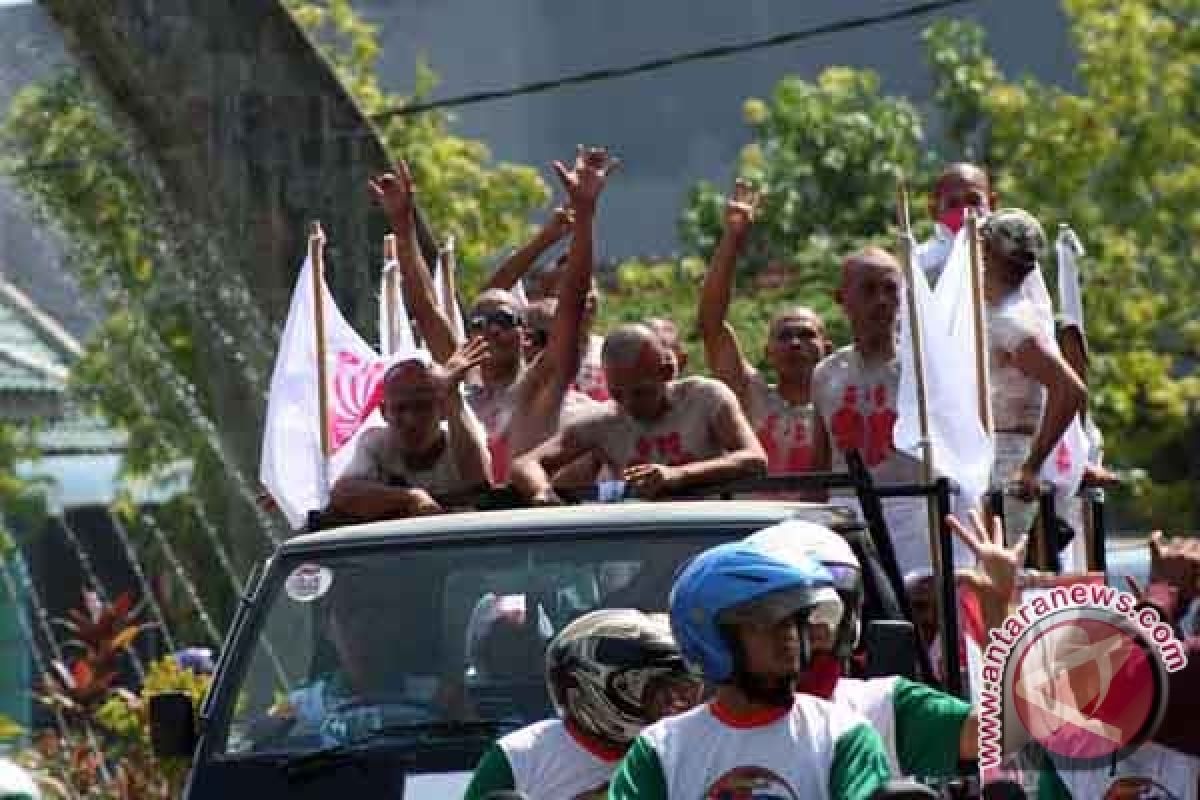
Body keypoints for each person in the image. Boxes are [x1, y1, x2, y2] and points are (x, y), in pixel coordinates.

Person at [370, 149, 614, 484]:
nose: (490, 331)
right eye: (479, 325)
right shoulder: (459, 383)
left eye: (502, 321)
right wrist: (402, 225)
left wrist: (585, 215)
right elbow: (425, 308)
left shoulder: (539, 386)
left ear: (525, 335)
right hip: (470, 522)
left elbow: (570, 308)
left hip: (530, 515)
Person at [607, 541, 890, 800]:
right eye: (765, 622)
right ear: (712, 638)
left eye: (794, 620)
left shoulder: (844, 735)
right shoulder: (661, 749)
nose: (789, 635)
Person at [812, 247, 956, 577]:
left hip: (915, 515)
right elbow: (819, 464)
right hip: (846, 517)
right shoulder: (826, 373)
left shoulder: (927, 367)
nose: (881, 300)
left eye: (890, 289)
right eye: (868, 289)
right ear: (842, 298)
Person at [510, 323, 767, 503]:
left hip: (702, 532)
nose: (629, 404)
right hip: (639, 539)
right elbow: (526, 464)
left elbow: (755, 459)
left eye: (641, 392)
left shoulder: (705, 398)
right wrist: (541, 492)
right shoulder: (603, 421)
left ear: (667, 372)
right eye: (618, 393)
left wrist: (678, 475)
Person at [463, 609, 703, 800]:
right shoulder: (520, 757)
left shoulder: (687, 750)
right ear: (595, 685)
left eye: (682, 688)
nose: (676, 703)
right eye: (656, 689)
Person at [697, 180, 832, 484]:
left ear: (829, 348)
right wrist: (731, 239)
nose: (795, 343)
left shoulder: (839, 404)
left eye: (806, 335)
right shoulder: (750, 395)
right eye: (784, 336)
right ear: (767, 352)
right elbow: (711, 324)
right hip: (754, 523)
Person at [978, 210, 1088, 541]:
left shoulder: (1014, 323)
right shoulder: (990, 312)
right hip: (984, 459)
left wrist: (1031, 465)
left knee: (1002, 577)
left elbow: (1070, 390)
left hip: (1006, 465)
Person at [330, 341, 492, 518]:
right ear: (384, 412)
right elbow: (342, 493)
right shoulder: (375, 444)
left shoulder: (463, 437)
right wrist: (410, 498)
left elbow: (482, 486)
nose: (411, 421)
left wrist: (451, 393)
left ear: (442, 408)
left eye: (422, 407)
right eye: (400, 408)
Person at [918, 163, 996, 286]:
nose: (965, 212)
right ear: (933, 210)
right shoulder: (921, 262)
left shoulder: (1010, 256)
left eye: (973, 201)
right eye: (953, 204)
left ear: (992, 203)